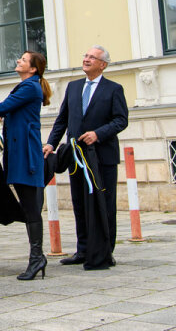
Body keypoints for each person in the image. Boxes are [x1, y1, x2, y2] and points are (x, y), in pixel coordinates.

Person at [43, 46, 128, 269]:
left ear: (103, 64)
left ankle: (105, 251)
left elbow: (121, 120)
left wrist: (98, 134)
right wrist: (51, 143)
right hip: (76, 157)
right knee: (79, 203)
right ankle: (83, 250)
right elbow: (62, 119)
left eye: (92, 57)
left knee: (104, 204)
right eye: (86, 56)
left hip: (102, 157)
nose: (87, 59)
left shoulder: (114, 89)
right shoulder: (73, 87)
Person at [0, 51, 51, 280]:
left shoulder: (30, 87)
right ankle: (37, 257)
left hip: (26, 155)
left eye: (24, 60)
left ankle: (37, 258)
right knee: (29, 206)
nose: (18, 61)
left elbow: (1, 109)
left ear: (33, 68)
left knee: (31, 207)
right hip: (21, 153)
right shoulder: (28, 86)